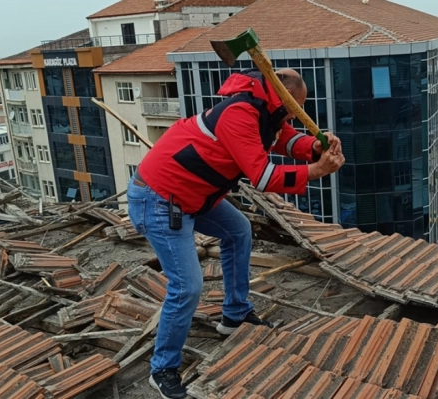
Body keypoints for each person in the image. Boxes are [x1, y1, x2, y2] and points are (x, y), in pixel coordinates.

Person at [127, 68, 344, 399]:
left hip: (194, 197)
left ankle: (235, 314)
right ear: (282, 100)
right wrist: (315, 170)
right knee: (188, 286)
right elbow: (262, 176)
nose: (294, 116)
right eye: (294, 108)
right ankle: (163, 368)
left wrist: (313, 145)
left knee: (238, 232)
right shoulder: (240, 114)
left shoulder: (264, 113)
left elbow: (284, 138)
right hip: (160, 199)